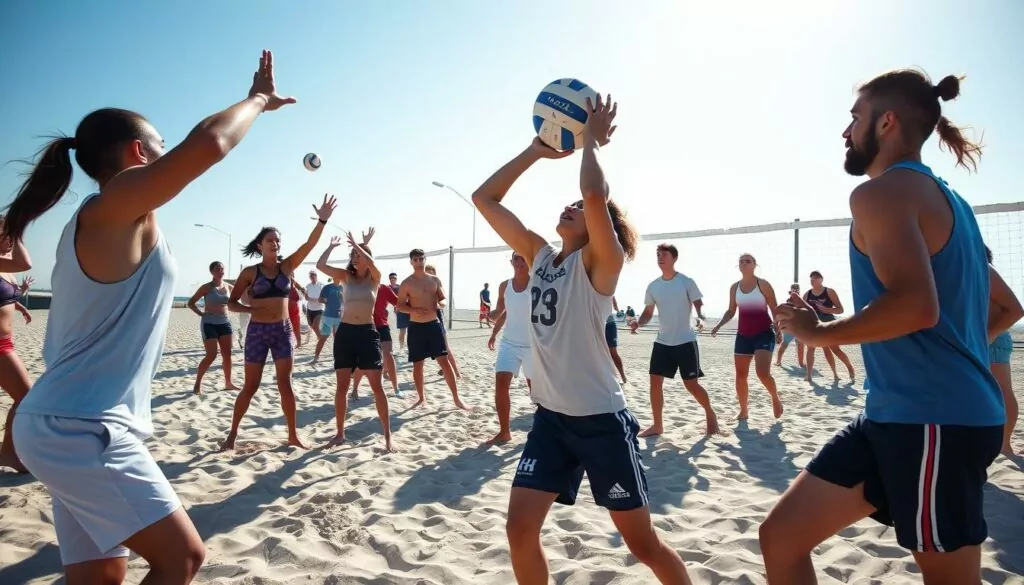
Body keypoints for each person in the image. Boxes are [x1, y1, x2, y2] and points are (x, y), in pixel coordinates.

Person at [6, 49, 293, 583]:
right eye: (163, 147)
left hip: (64, 423)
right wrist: (257, 99)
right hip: (79, 428)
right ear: (140, 153)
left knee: (102, 574)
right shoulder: (112, 207)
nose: (170, 155)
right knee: (182, 557)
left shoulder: (101, 223)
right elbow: (209, 145)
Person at [762, 69, 1002, 585]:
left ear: (887, 121)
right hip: (894, 415)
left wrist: (819, 332)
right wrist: (959, 351)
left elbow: (917, 306)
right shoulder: (951, 201)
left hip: (935, 423)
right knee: (780, 536)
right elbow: (1004, 307)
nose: (845, 132)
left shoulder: (883, 193)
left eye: (854, 118)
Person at [473, 95, 694, 584]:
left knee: (643, 545)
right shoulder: (541, 255)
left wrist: (590, 141)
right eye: (569, 203)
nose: (571, 205)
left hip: (601, 423)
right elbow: (484, 199)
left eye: (579, 207)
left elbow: (595, 197)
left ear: (601, 231)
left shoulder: (599, 265)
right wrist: (536, 151)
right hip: (551, 421)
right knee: (519, 530)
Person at [223, 194, 337, 451]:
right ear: (260, 246)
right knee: (250, 386)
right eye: (269, 240)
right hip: (258, 332)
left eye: (277, 240)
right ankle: (232, 436)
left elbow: (309, 245)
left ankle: (293, 435)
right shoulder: (250, 273)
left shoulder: (287, 267)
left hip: (282, 331)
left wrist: (322, 221)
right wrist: (249, 308)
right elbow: (231, 303)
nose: (274, 243)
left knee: (285, 383)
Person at [315, 232, 394, 451]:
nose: (355, 258)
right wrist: (331, 246)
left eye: (358, 255)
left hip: (367, 333)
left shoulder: (374, 278)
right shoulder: (345, 276)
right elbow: (321, 265)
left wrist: (360, 247)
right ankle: (340, 434)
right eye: (352, 255)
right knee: (342, 386)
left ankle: (388, 435)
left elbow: (372, 263)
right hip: (346, 333)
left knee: (377, 387)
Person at [631, 243, 719, 437]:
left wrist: (702, 318)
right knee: (654, 383)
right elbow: (647, 313)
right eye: (657, 255)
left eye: (664, 254)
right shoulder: (653, 286)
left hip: (685, 341)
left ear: (674, 258)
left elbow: (699, 305)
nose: (660, 257)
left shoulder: (686, 281)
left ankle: (710, 414)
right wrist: (638, 323)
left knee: (691, 384)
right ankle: (657, 425)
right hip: (663, 342)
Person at [710, 253, 784, 420]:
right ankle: (744, 410)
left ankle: (775, 398)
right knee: (740, 374)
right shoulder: (734, 287)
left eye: (747, 261)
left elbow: (774, 307)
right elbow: (731, 311)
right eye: (741, 261)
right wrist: (718, 325)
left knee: (762, 373)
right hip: (743, 335)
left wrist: (779, 329)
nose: (743, 263)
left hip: (764, 333)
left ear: (754, 265)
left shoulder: (762, 284)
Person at [395, 252, 468, 409]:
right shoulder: (407, 282)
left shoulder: (434, 280)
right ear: (411, 262)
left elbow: (443, 298)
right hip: (415, 326)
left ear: (425, 260)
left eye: (421, 259)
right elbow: (400, 305)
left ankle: (456, 398)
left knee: (444, 361)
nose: (419, 262)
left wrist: (441, 304)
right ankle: (421, 398)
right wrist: (413, 309)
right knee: (418, 364)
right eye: (416, 259)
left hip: (433, 324)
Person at [486, 252, 533, 444]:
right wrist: (492, 323)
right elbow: (502, 312)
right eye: (516, 258)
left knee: (536, 391)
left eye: (523, 258)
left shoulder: (537, 283)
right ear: (511, 262)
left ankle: (546, 428)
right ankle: (504, 432)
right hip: (509, 343)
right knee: (501, 384)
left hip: (533, 345)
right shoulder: (505, 286)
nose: (520, 262)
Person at [0, 217, 33, 473]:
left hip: (6, 342)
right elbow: (26, 262)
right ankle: (8, 453)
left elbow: (6, 294)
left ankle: (8, 452)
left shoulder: (6, 267)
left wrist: (19, 304)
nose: (11, 240)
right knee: (26, 396)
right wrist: (19, 232)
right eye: (6, 235)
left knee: (25, 396)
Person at [985, 245, 1022, 456]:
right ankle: (1003, 444)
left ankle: (1005, 445)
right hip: (987, 338)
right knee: (999, 391)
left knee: (1003, 391)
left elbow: (1015, 310)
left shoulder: (983, 272)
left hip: (994, 338)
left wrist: (986, 338)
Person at [186, 261, 239, 394]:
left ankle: (228, 382)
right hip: (209, 323)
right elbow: (190, 303)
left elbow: (235, 302)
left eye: (222, 268)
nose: (221, 271)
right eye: (217, 269)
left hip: (225, 323)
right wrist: (201, 313)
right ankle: (197, 383)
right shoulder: (206, 287)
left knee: (227, 355)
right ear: (212, 272)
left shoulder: (229, 287)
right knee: (211, 355)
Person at [802, 270, 856, 383]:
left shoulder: (829, 291)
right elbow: (802, 311)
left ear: (821, 279)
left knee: (835, 349)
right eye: (811, 277)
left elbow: (840, 309)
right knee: (810, 348)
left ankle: (850, 367)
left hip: (828, 323)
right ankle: (809, 375)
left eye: (816, 277)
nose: (813, 279)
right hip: (814, 324)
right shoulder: (807, 294)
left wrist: (827, 310)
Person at [424, 263, 461, 378]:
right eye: (427, 272)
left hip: (437, 317)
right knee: (429, 347)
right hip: (425, 319)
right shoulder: (422, 285)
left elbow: (443, 300)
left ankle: (456, 372)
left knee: (444, 346)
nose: (429, 275)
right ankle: (444, 367)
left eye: (431, 272)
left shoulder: (436, 284)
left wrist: (440, 304)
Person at [774, 283, 806, 368]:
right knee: (785, 344)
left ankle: (801, 363)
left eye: (797, 290)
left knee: (800, 345)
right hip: (789, 327)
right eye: (794, 290)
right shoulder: (788, 301)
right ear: (790, 291)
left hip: (799, 327)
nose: (795, 291)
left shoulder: (802, 302)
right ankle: (778, 361)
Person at [312, 277, 341, 365]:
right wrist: (326, 302)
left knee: (338, 339)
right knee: (323, 337)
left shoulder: (344, 287)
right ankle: (316, 357)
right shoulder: (327, 287)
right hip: (328, 316)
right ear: (333, 277)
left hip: (340, 317)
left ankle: (337, 359)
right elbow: (320, 299)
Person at [607, 295, 628, 383]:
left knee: (612, 353)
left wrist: (619, 312)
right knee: (610, 352)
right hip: (600, 324)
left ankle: (623, 377)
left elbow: (615, 306)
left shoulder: (609, 291)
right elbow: (615, 306)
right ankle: (621, 377)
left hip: (607, 324)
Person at [304, 270, 325, 346]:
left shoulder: (321, 285)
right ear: (309, 277)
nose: (312, 277)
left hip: (319, 309)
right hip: (310, 309)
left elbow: (324, 297)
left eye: (314, 275)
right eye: (311, 276)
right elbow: (306, 297)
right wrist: (312, 299)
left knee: (315, 326)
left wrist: (318, 299)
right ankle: (320, 337)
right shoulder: (308, 286)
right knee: (311, 325)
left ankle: (321, 341)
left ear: (316, 276)